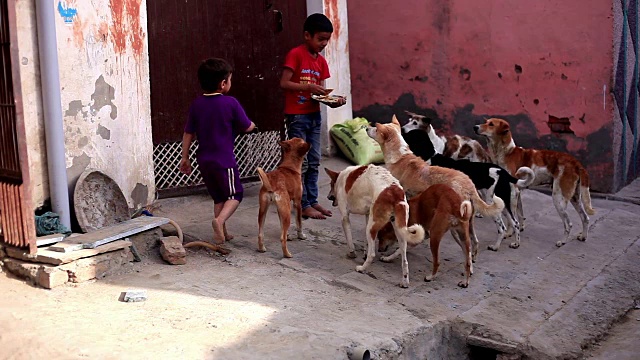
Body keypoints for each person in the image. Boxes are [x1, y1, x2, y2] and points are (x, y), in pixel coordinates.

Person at [180, 58, 256, 244]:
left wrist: (184, 157)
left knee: (218, 196)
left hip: (204, 160)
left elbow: (188, 132)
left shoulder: (197, 104)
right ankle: (220, 221)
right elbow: (246, 126)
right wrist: (253, 125)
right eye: (229, 80)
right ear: (223, 84)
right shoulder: (230, 103)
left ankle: (221, 233)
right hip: (224, 160)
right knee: (235, 194)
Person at [280, 13, 346, 220]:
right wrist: (307, 86)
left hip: (314, 116)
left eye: (327, 39)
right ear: (307, 35)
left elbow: (321, 94)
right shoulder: (296, 54)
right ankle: (302, 203)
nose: (324, 43)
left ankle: (313, 199)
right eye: (320, 39)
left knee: (315, 159)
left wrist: (333, 100)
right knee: (303, 161)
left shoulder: (322, 62)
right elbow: (284, 83)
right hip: (297, 116)